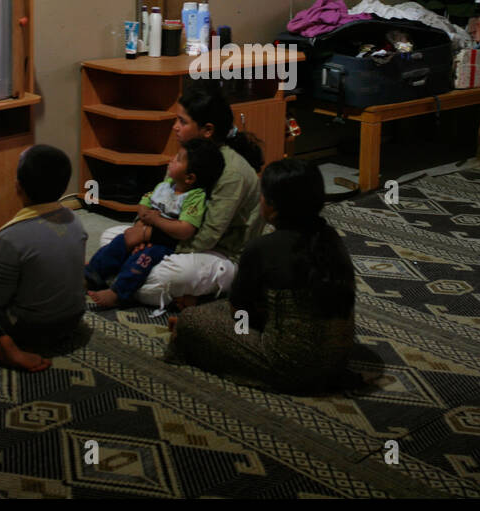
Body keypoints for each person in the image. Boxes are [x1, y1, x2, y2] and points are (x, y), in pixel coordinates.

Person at [165, 158, 356, 392]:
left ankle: (189, 336)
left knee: (192, 321)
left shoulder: (262, 247)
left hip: (290, 365)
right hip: (338, 359)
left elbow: (240, 313)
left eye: (263, 195)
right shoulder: (330, 238)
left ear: (273, 207)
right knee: (216, 307)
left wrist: (224, 330)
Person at [94, 81, 265, 310]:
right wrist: (141, 232)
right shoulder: (187, 152)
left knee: (164, 275)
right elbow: (159, 199)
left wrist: (149, 237)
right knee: (110, 237)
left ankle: (130, 282)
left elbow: (207, 238)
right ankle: (135, 281)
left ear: (208, 130)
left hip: (220, 254)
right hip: (174, 237)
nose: (175, 127)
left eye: (182, 122)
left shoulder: (231, 173)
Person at [0, 145, 86, 372]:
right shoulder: (75, 220)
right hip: (73, 318)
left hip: (30, 327)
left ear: (18, 187)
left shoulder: (9, 236)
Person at [87, 139, 224, 309]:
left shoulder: (195, 197)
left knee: (141, 260)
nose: (172, 160)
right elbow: (146, 200)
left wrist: (154, 221)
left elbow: (185, 230)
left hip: (164, 242)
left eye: (178, 159)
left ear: (190, 178)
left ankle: (118, 294)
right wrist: (143, 214)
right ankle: (91, 275)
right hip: (146, 230)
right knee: (117, 241)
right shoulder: (165, 186)